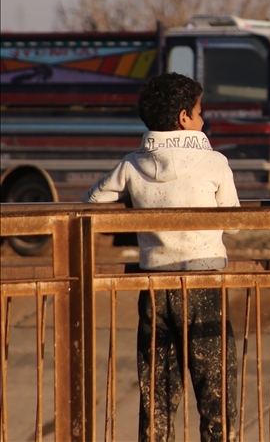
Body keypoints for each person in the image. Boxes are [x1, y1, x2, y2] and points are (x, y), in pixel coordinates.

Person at [84, 72, 239, 442]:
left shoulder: (132, 164)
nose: (204, 120)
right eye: (200, 113)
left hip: (154, 284)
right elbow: (233, 222)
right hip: (204, 285)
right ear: (185, 118)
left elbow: (93, 201)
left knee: (157, 393)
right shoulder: (214, 162)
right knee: (217, 391)